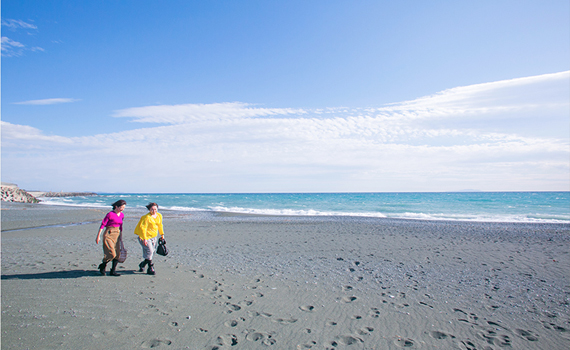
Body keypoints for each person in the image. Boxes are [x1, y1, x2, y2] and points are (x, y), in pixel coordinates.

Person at [95, 199, 127, 276]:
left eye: (124, 207)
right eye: (121, 207)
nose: (122, 209)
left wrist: (121, 236)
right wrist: (98, 236)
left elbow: (121, 226)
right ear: (116, 206)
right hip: (109, 233)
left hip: (117, 234)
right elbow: (102, 225)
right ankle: (103, 265)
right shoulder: (110, 214)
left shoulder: (122, 215)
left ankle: (113, 271)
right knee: (111, 253)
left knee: (117, 254)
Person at [134, 202, 165, 275]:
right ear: (149, 209)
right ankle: (150, 267)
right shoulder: (146, 217)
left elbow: (160, 225)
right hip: (145, 237)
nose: (154, 211)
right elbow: (143, 228)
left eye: (155, 209)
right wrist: (144, 238)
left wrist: (162, 234)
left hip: (153, 236)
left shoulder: (159, 216)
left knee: (151, 252)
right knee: (150, 251)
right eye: (152, 209)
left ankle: (143, 264)